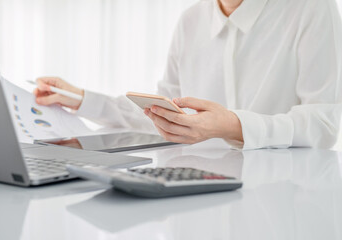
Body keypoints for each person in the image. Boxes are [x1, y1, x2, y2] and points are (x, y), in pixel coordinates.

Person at [34, 0, 342, 150]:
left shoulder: (311, 9)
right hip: (197, 195)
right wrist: (81, 100)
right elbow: (162, 113)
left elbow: (324, 124)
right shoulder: (191, 21)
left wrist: (235, 126)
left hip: (285, 203)